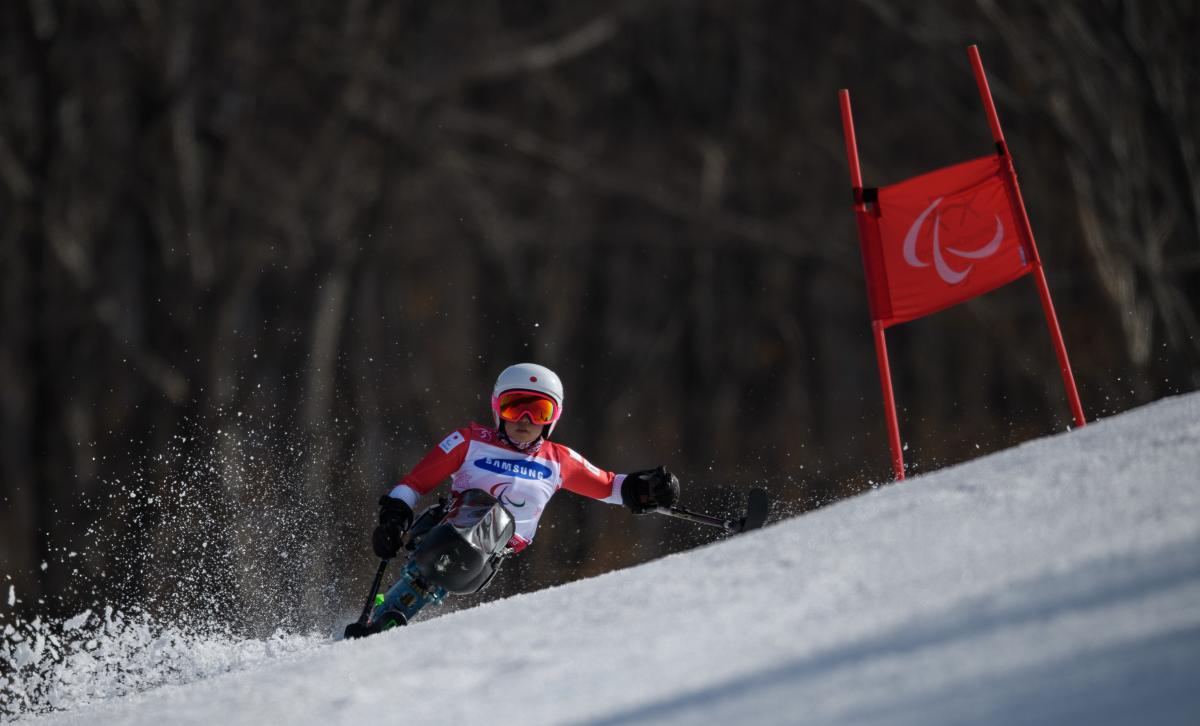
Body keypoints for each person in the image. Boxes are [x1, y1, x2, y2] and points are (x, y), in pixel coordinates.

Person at [365, 362, 680, 630]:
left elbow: (610, 486)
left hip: (492, 554)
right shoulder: (469, 441)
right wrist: (394, 518)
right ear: (497, 408)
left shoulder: (558, 460)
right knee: (482, 515)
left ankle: (406, 600)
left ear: (552, 419)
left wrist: (644, 489)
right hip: (445, 531)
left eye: (539, 411)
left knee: (490, 527)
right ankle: (393, 609)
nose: (525, 420)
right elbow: (413, 483)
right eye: (514, 407)